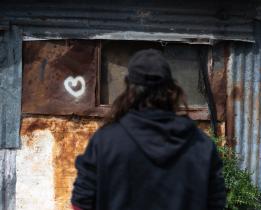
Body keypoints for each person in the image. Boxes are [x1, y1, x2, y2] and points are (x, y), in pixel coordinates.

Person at [71, 49, 226, 210]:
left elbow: (81, 203)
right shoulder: (201, 145)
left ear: (129, 88)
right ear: (170, 89)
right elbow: (216, 203)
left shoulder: (105, 142)